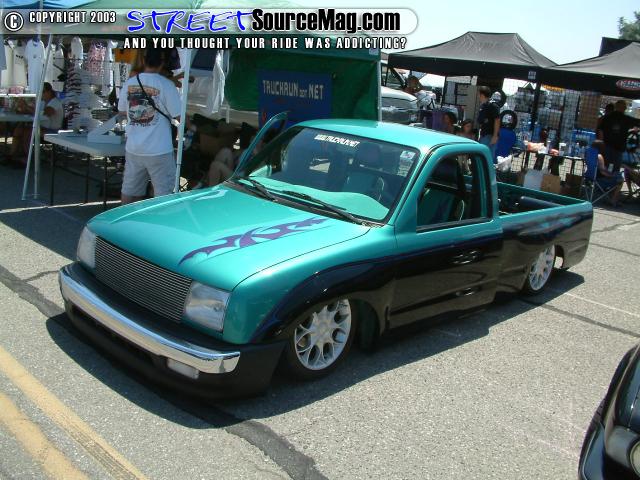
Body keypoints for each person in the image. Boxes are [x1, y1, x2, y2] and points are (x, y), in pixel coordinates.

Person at [117, 47, 182, 204]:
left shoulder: (130, 83)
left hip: (134, 147)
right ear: (162, 63)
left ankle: (126, 219)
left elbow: (122, 111)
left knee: (130, 191)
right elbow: (179, 116)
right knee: (163, 194)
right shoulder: (166, 84)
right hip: (159, 149)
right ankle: (158, 220)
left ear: (144, 60)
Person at [7, 82, 63, 167]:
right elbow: (35, 112)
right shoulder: (44, 102)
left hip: (52, 131)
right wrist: (23, 109)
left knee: (28, 131)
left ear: (49, 92)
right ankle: (11, 155)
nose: (41, 94)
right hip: (42, 127)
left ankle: (26, 158)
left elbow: (45, 114)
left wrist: (26, 107)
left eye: (43, 92)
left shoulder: (55, 102)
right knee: (20, 128)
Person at [598, 100, 640, 171]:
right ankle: (610, 174)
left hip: (607, 146)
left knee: (606, 165)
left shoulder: (607, 117)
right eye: (624, 107)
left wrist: (601, 143)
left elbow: (600, 131)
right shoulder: (626, 119)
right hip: (618, 148)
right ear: (624, 108)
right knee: (613, 167)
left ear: (616, 107)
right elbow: (638, 122)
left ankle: (606, 175)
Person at [591, 140, 623, 207]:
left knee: (616, 176)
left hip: (589, 178)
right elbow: (603, 172)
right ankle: (613, 200)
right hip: (599, 181)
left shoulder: (589, 154)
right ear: (601, 148)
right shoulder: (599, 156)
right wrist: (611, 175)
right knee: (620, 179)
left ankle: (610, 198)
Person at [477, 86, 500, 160]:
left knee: (487, 157)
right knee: (481, 155)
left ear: (482, 95)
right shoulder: (484, 105)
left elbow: (497, 120)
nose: (478, 96)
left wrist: (495, 136)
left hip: (489, 135)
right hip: (484, 134)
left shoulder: (492, 105)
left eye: (479, 94)